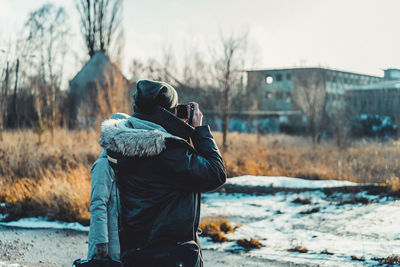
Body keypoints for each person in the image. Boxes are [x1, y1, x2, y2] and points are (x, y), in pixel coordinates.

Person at [99, 80, 226, 266]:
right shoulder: (168, 152)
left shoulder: (124, 144)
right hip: (171, 255)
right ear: (166, 114)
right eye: (175, 109)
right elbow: (216, 174)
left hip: (136, 251)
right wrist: (198, 131)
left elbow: (162, 173)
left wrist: (178, 132)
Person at [87, 113, 129, 263]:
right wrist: (101, 241)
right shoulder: (103, 165)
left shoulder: (124, 165)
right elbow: (98, 203)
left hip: (121, 242)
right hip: (106, 245)